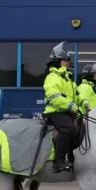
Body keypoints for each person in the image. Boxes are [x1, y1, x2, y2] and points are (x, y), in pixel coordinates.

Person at [42, 42, 79, 173]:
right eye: (64, 60)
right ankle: (58, 162)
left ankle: (74, 159)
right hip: (55, 112)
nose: (67, 62)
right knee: (67, 129)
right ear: (57, 61)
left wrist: (81, 104)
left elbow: (76, 95)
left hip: (67, 112)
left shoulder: (67, 78)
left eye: (67, 60)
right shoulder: (52, 77)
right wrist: (72, 106)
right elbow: (55, 98)